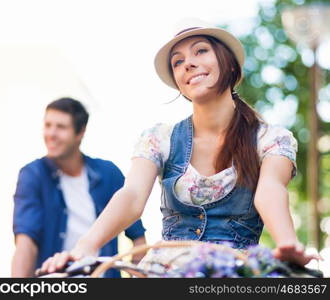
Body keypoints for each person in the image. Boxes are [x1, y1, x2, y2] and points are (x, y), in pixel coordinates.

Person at [39, 23, 319, 275]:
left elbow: (270, 191)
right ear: (179, 85)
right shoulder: (160, 138)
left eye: (201, 51)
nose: (188, 64)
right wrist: (85, 247)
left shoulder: (270, 138)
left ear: (231, 65)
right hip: (166, 272)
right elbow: (132, 196)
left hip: (234, 272)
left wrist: (287, 246)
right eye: (178, 62)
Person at [11, 97, 146, 278]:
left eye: (61, 127)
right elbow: (26, 241)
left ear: (80, 132)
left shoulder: (109, 173)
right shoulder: (33, 175)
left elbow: (138, 236)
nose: (51, 133)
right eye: (48, 125)